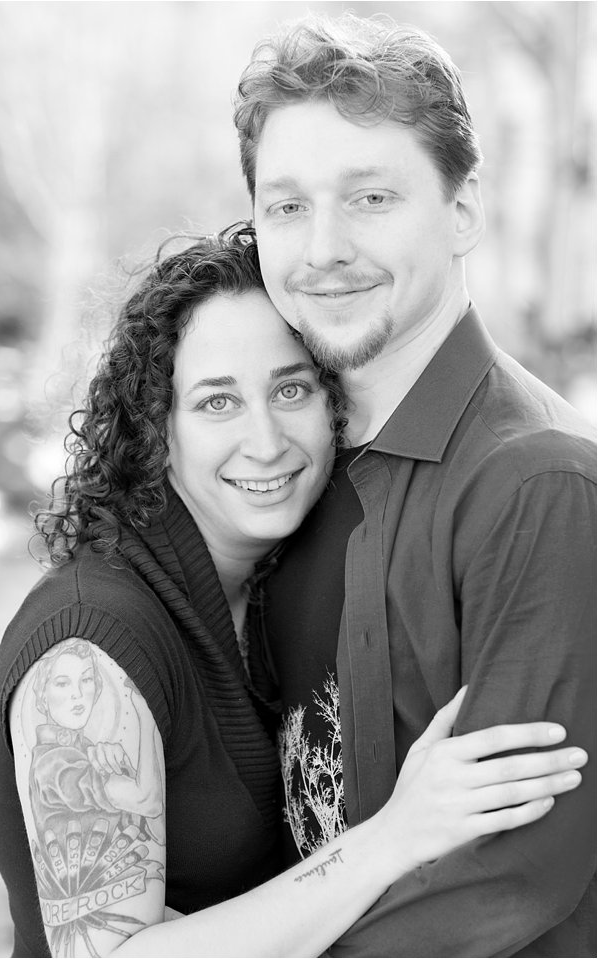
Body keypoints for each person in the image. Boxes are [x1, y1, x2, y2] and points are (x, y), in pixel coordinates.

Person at [0, 229, 587, 959]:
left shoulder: (273, 583)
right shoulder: (90, 644)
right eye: (216, 402)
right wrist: (392, 838)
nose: (265, 440)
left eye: (290, 388)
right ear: (154, 429)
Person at [233, 11, 597, 957]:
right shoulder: (283, 469)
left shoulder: (539, 485)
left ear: (464, 208)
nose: (322, 250)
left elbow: (512, 871)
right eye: (286, 206)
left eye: (371, 199)